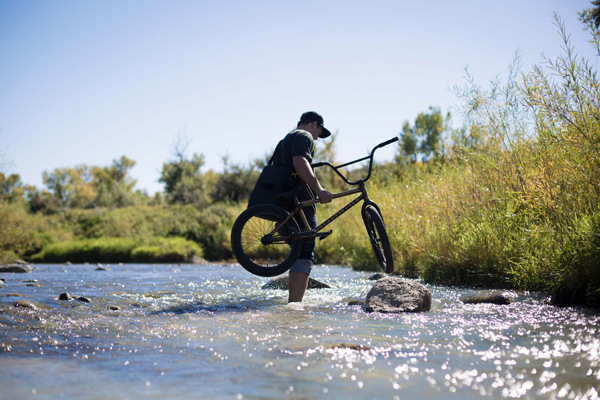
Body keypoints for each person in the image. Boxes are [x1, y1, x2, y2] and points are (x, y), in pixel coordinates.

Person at [270, 111, 333, 303]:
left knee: (299, 250)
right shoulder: (303, 136)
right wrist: (320, 190)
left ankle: (293, 303)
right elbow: (300, 161)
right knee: (305, 251)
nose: (317, 138)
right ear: (314, 124)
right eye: (318, 133)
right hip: (298, 203)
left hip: (285, 203)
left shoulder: (284, 140)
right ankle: (295, 306)